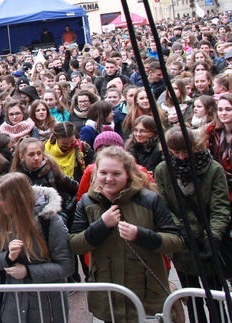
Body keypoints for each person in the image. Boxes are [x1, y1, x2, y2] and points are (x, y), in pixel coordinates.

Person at [69, 147, 183, 321]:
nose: (109, 179)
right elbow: (75, 244)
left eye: (116, 173)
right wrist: (101, 226)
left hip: (146, 295)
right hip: (107, 296)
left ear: (127, 174)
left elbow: (175, 240)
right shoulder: (86, 202)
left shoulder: (149, 199)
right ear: (96, 173)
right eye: (104, 172)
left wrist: (141, 235)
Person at [155, 127, 229, 323]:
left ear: (194, 147)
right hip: (183, 247)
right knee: (193, 301)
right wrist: (181, 230)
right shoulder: (163, 170)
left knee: (215, 299)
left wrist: (213, 237)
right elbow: (163, 206)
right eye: (175, 151)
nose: (180, 157)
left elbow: (220, 207)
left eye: (185, 151)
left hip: (208, 243)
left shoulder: (213, 169)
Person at [0, 173, 74, 323]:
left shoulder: (51, 222)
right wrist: (8, 257)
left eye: (2, 199)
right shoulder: (0, 218)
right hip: (14, 301)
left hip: (47, 304)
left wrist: (28, 272)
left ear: (17, 200)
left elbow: (66, 266)